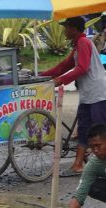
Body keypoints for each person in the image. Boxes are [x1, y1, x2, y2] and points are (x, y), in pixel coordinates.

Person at [41, 16, 106, 177]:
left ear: (74, 29)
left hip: (98, 93)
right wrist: (42, 76)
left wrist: (61, 80)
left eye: (66, 27)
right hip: (87, 93)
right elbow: (65, 65)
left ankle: (100, 166)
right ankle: (77, 165)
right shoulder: (78, 45)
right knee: (83, 129)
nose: (64, 31)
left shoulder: (84, 43)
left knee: (99, 129)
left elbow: (82, 68)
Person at [62, 123, 106, 208]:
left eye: (98, 145)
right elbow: (79, 195)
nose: (95, 150)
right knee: (92, 186)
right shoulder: (93, 165)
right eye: (92, 146)